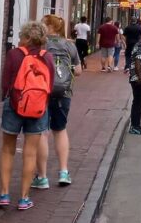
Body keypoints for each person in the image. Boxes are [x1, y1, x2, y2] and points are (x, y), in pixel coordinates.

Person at [0, 21, 54, 211]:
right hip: (38, 108)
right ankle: (24, 198)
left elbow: (6, 84)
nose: (19, 39)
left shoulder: (14, 54)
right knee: (30, 153)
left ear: (27, 38)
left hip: (14, 105)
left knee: (8, 149)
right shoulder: (48, 57)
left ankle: (4, 194)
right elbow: (50, 85)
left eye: (21, 36)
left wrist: (11, 99)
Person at [32, 15, 82, 190]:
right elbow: (78, 71)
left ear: (48, 27)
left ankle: (42, 177)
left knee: (42, 132)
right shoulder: (70, 45)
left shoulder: (40, 45)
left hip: (42, 92)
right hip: (64, 93)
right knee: (60, 130)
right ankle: (63, 172)